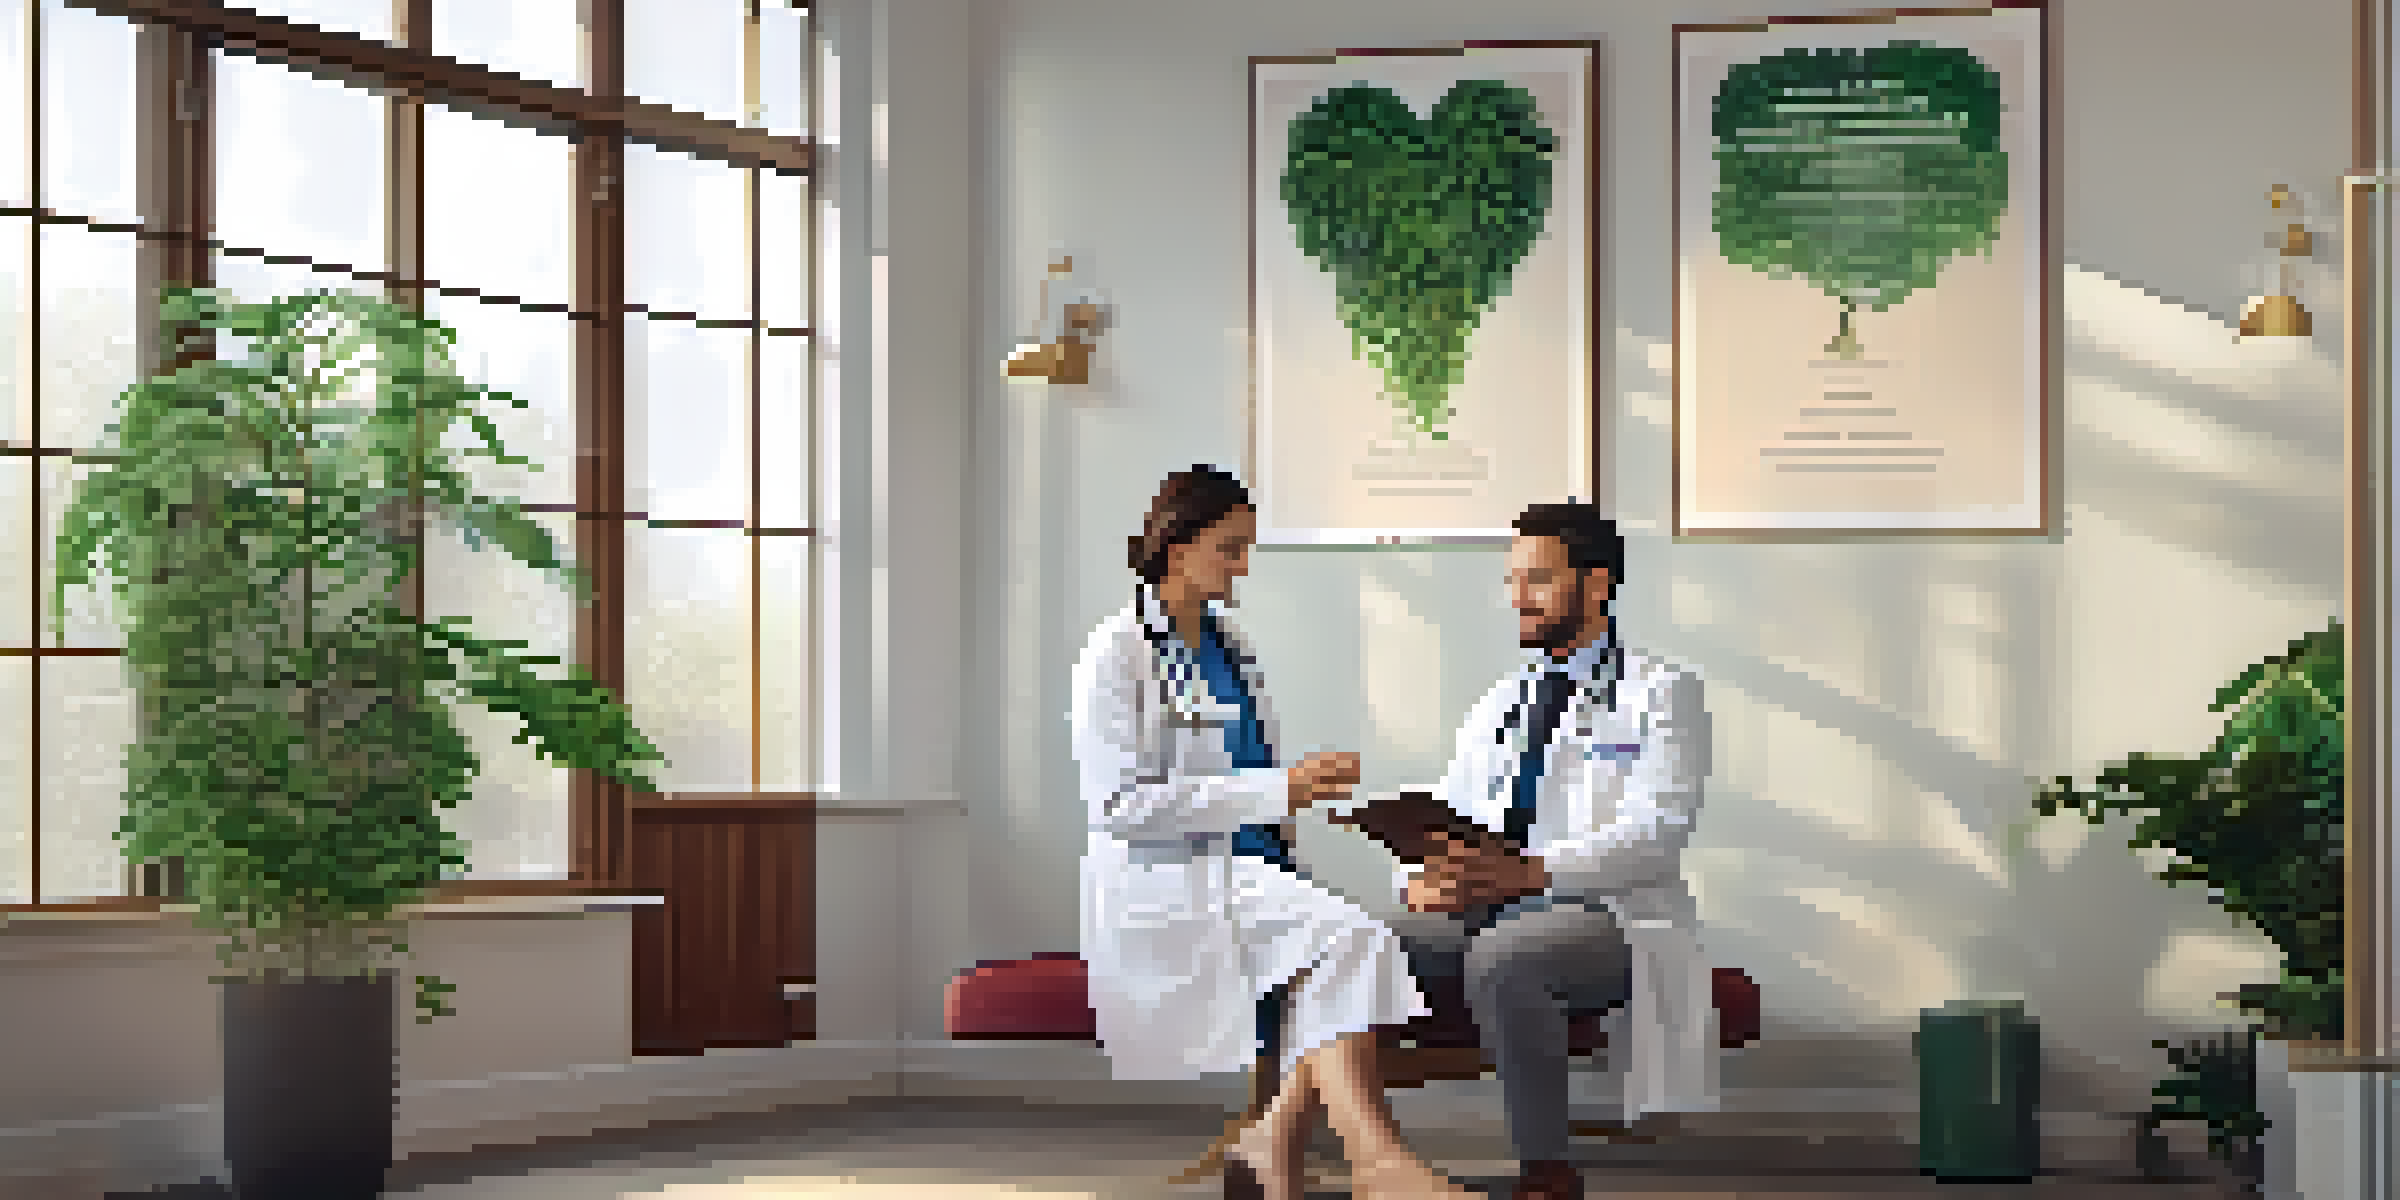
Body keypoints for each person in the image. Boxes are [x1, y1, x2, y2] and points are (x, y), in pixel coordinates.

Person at [1070, 465, 1473, 1200]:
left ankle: (1272, 1145)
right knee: (1350, 940)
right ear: (1177, 544)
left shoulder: (1233, 649)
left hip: (1254, 870)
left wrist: (1299, 792)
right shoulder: (1118, 652)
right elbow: (1120, 805)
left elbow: (1245, 770)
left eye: (1247, 548)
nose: (1242, 566)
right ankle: (1375, 1161)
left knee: (1337, 955)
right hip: (1172, 882)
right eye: (1230, 549)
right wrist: (1276, 787)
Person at [1376, 501, 1720, 1200]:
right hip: (1487, 903)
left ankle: (1545, 1169)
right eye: (1512, 581)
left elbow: (1656, 834)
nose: (1517, 598)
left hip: (1610, 915)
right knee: (1357, 941)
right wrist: (1419, 879)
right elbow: (1447, 814)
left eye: (1537, 580)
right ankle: (1356, 1148)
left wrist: (1529, 874)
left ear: (1596, 585)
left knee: (1507, 958)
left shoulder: (1663, 692)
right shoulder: (1501, 701)